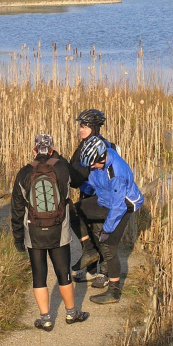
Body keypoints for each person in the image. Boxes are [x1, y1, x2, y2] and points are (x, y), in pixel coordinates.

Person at [11, 134, 89, 331]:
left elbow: (17, 209)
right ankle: (72, 313)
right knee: (63, 272)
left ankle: (45, 319)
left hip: (34, 230)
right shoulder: (61, 168)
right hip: (58, 229)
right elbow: (79, 180)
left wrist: (18, 238)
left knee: (39, 274)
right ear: (52, 149)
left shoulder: (24, 173)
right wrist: (60, 159)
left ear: (34, 150)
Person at [77, 135, 144, 304]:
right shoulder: (98, 161)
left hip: (123, 205)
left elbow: (118, 207)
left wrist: (107, 229)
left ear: (101, 157)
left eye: (93, 164)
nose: (91, 167)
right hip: (106, 198)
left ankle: (113, 292)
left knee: (109, 247)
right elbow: (94, 183)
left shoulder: (116, 173)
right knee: (74, 210)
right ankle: (90, 250)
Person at [68, 109, 118, 289]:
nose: (81, 130)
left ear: (95, 127)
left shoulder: (104, 146)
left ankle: (104, 273)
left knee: (100, 232)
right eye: (80, 126)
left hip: (101, 195)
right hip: (86, 192)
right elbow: (75, 169)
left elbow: (82, 173)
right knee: (87, 230)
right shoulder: (82, 145)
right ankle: (90, 268)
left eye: (85, 127)